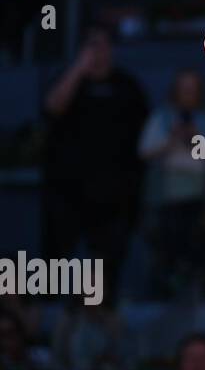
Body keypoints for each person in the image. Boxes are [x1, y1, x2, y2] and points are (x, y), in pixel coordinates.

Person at [42, 23, 149, 307]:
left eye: (102, 45)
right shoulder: (67, 80)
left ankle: (103, 314)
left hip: (115, 193)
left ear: (111, 49)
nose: (97, 51)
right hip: (66, 189)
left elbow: (145, 138)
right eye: (91, 45)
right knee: (57, 253)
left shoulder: (127, 86)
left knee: (108, 259)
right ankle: (47, 315)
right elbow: (53, 108)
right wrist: (79, 69)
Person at [138, 67, 205, 300]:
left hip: (200, 192)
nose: (188, 94)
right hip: (166, 192)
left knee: (197, 238)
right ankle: (167, 285)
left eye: (192, 89)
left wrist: (194, 137)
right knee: (168, 240)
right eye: (183, 89)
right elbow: (146, 152)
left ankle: (197, 285)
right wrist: (173, 138)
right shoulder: (162, 118)